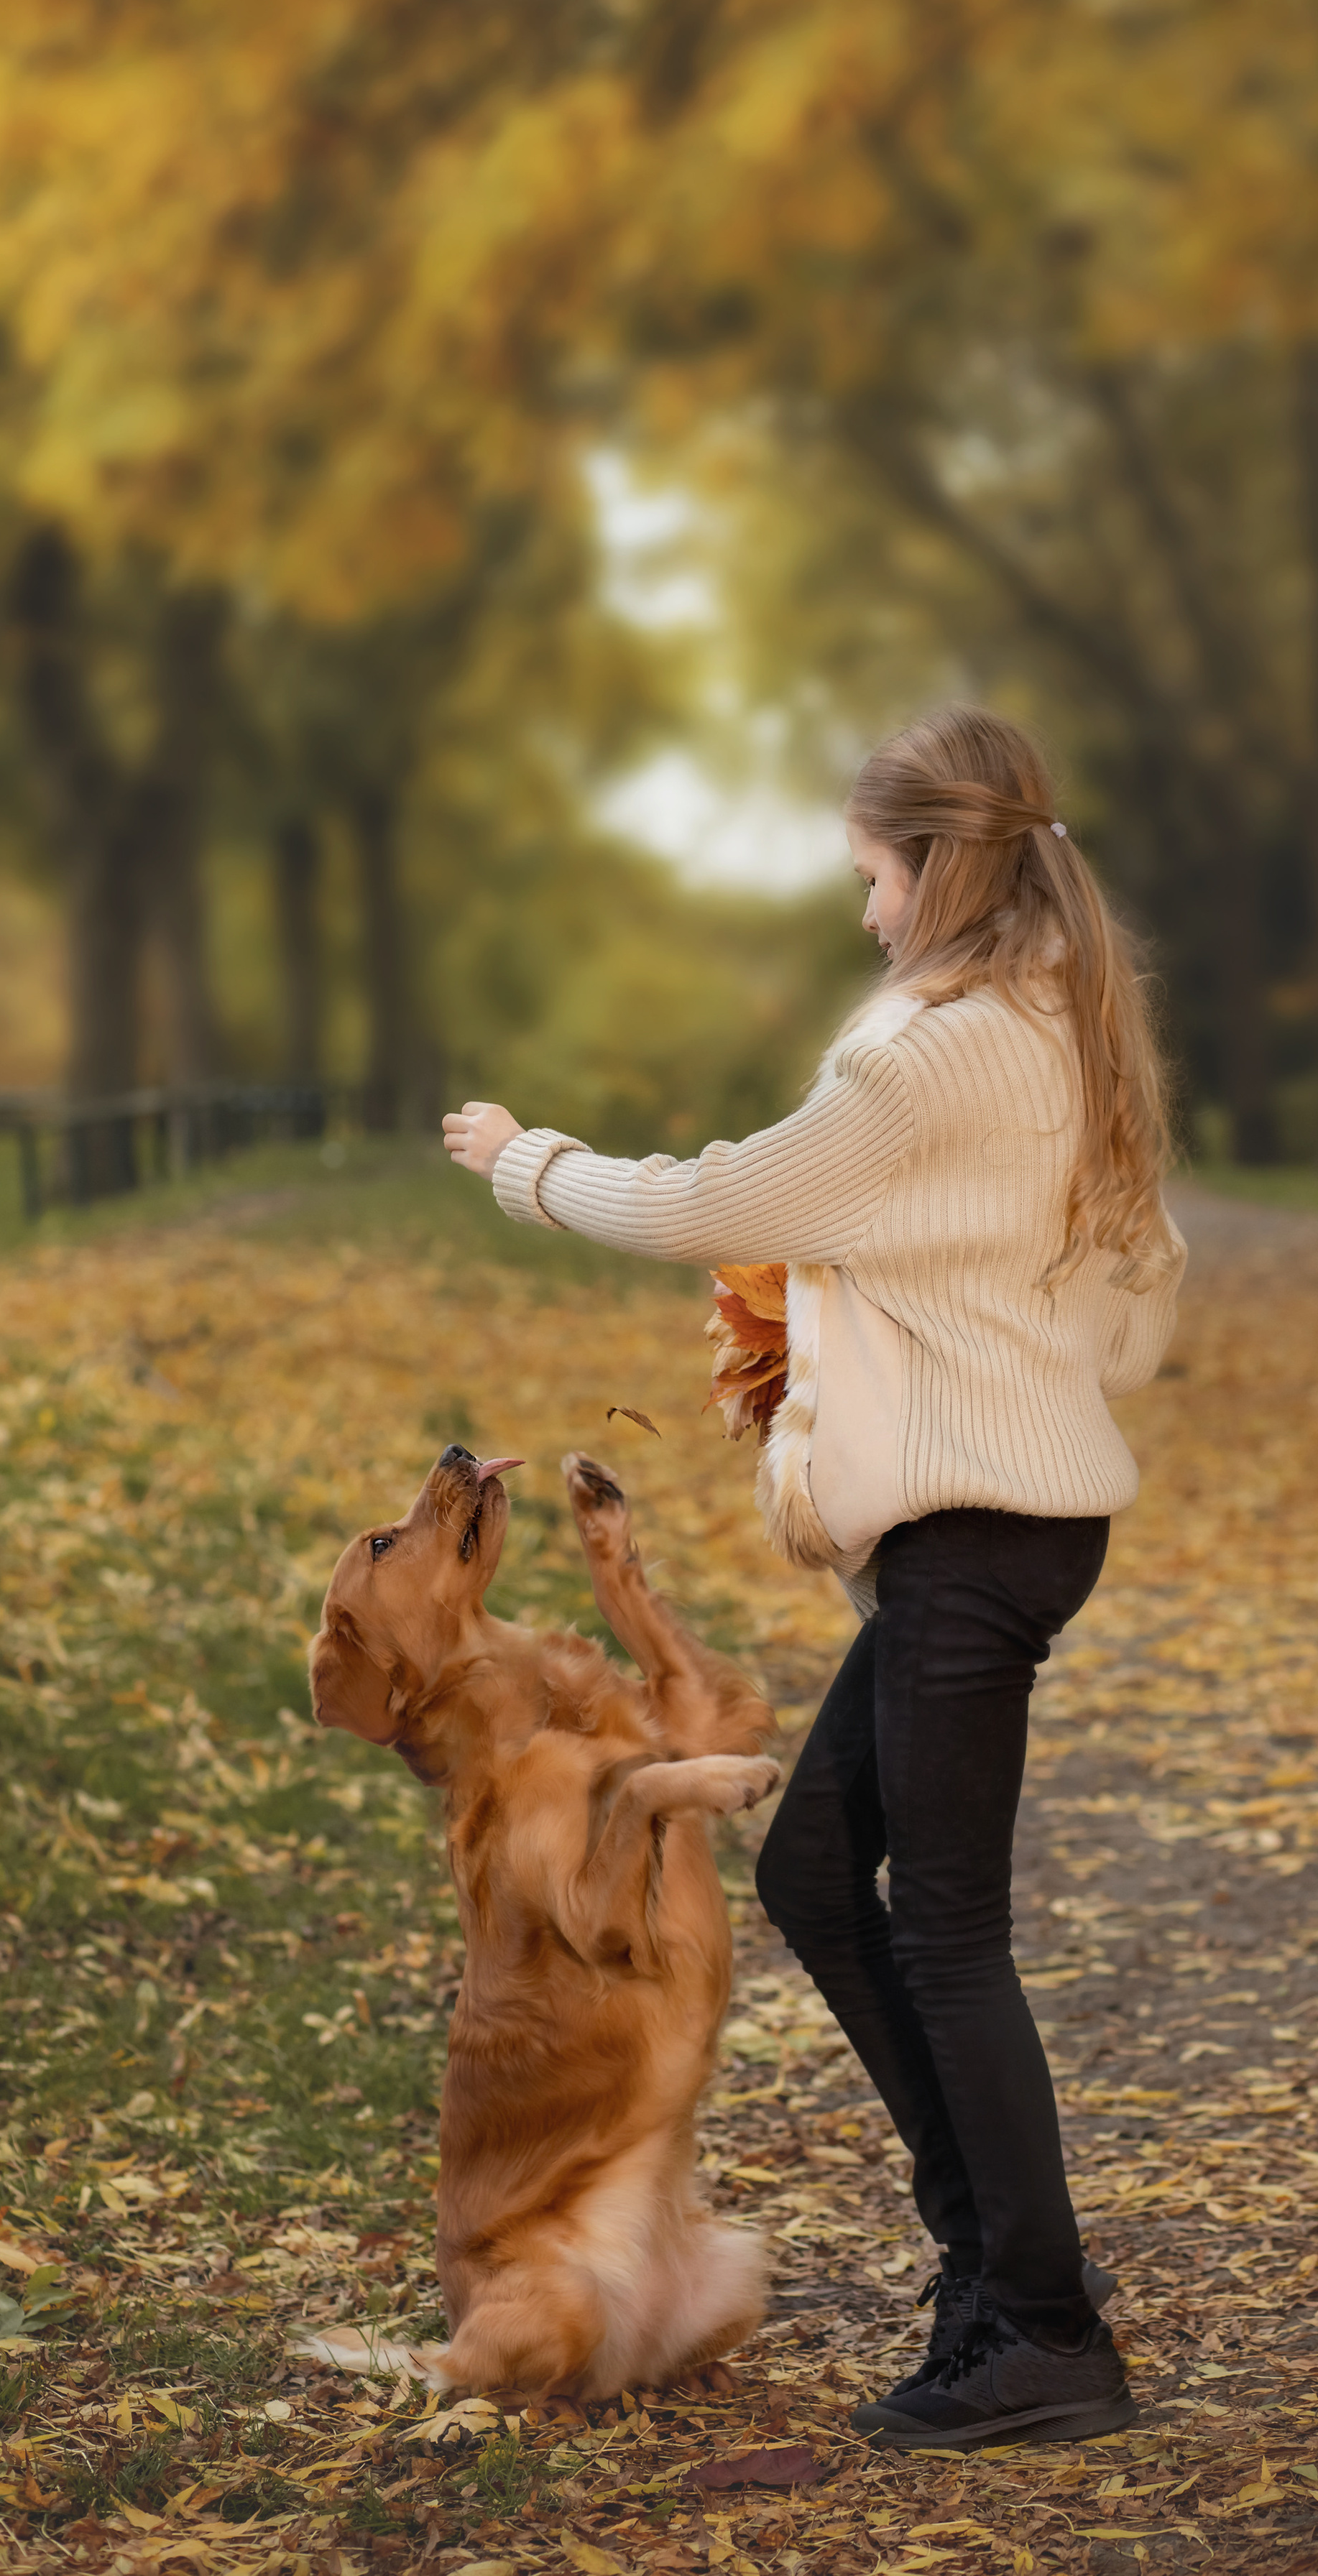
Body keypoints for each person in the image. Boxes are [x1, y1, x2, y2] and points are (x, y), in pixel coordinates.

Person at [443, 704, 1185, 2452]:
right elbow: (1136, 1305)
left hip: (976, 1544)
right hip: (1001, 1533)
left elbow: (725, 1196)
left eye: (869, 876)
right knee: (813, 1872)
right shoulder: (1055, 1028)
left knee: (943, 1933)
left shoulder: (925, 1060)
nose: (861, 913)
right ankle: (990, 2274)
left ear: (935, 868)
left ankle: (1043, 2328)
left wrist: (524, 1164)